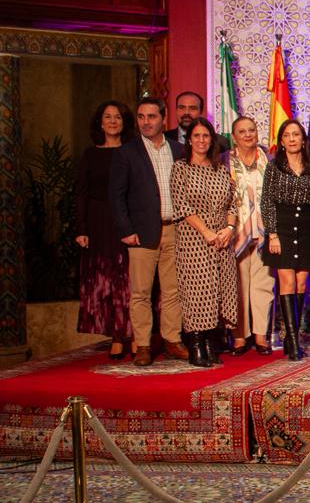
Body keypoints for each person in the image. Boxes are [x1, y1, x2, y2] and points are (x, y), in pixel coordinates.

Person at [109, 97, 185, 367]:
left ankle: (172, 340)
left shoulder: (178, 150)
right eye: (141, 117)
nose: (146, 122)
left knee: (173, 290)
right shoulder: (127, 152)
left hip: (174, 229)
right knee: (140, 292)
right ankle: (142, 345)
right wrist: (126, 230)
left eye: (151, 116)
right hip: (141, 234)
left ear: (163, 119)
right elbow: (116, 197)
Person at [170, 118, 238, 367]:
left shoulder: (221, 169)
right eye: (196, 136)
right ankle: (196, 346)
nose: (201, 140)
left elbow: (233, 202)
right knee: (198, 292)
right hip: (194, 240)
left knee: (219, 291)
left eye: (205, 136)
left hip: (222, 239)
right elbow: (182, 205)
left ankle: (211, 343)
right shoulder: (181, 168)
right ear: (189, 140)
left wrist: (229, 228)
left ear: (212, 140)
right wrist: (207, 232)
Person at [76, 100, 135, 359]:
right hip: (99, 223)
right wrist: (81, 229)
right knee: (106, 281)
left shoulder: (133, 152)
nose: (113, 121)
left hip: (127, 220)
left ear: (125, 123)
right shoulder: (91, 154)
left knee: (130, 280)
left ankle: (134, 334)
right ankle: (116, 336)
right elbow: (81, 194)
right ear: (100, 122)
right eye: (108, 117)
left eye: (118, 117)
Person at [263, 118, 310, 361]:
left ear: (303, 139)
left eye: (296, 134)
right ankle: (294, 341)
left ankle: (289, 335)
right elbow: (267, 202)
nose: (293, 139)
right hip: (282, 227)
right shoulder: (274, 168)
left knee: (302, 283)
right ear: (282, 141)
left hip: (307, 226)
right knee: (287, 282)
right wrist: (272, 233)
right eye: (288, 135)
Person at [227, 116, 275, 356]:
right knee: (238, 286)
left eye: (252, 130)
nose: (248, 135)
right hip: (235, 233)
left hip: (265, 233)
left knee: (263, 285)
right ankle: (239, 337)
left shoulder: (270, 159)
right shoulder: (225, 161)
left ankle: (260, 335)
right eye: (242, 131)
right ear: (234, 136)